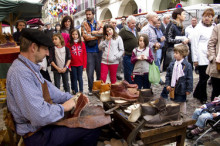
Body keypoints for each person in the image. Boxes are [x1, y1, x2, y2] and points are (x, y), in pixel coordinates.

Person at [6, 28, 100, 145]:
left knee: (90, 119)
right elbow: (39, 115)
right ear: (33, 47)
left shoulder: (28, 67)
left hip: (41, 129)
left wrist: (73, 98)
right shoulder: (20, 73)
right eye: (45, 49)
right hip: (37, 135)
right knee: (92, 126)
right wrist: (65, 107)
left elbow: (51, 91)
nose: (47, 53)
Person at [191, 8, 215, 104]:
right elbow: (194, 45)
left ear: (212, 18)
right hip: (201, 56)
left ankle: (196, 92)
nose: (207, 18)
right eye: (205, 16)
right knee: (203, 78)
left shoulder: (214, 27)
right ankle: (203, 97)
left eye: (209, 16)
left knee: (208, 77)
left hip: (211, 56)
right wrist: (195, 59)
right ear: (202, 17)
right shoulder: (198, 28)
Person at [164, 44, 193, 116]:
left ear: (182, 54)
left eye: (176, 53)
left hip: (182, 88)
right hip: (172, 87)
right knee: (173, 101)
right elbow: (168, 75)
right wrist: (167, 84)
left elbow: (189, 78)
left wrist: (188, 89)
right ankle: (174, 116)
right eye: (174, 53)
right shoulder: (172, 64)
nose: (174, 55)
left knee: (182, 102)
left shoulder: (187, 65)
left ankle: (183, 115)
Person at [81, 8, 103, 96]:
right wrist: (96, 34)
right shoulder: (83, 24)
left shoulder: (99, 23)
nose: (88, 16)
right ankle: (90, 88)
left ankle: (97, 88)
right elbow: (85, 36)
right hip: (88, 51)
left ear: (93, 14)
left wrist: (93, 33)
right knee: (90, 72)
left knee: (99, 72)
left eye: (89, 14)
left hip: (98, 50)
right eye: (87, 14)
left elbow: (102, 33)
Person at [119, 15, 138, 84]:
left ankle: (133, 86)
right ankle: (128, 86)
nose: (134, 24)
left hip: (135, 55)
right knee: (128, 73)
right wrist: (122, 50)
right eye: (133, 23)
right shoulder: (123, 31)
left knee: (134, 72)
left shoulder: (135, 30)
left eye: (135, 23)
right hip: (128, 55)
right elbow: (119, 40)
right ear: (128, 23)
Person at [67, 29, 87, 94]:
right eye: (73, 34)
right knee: (74, 78)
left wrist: (84, 65)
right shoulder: (68, 44)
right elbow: (68, 56)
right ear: (71, 35)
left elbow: (84, 55)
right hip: (73, 65)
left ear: (78, 35)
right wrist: (69, 66)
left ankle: (81, 91)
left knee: (80, 78)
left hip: (80, 64)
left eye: (76, 34)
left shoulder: (82, 44)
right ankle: (76, 91)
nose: (75, 36)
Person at [206, 23, 220, 101]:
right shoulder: (218, 27)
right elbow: (211, 44)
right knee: (216, 91)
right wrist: (213, 58)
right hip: (217, 65)